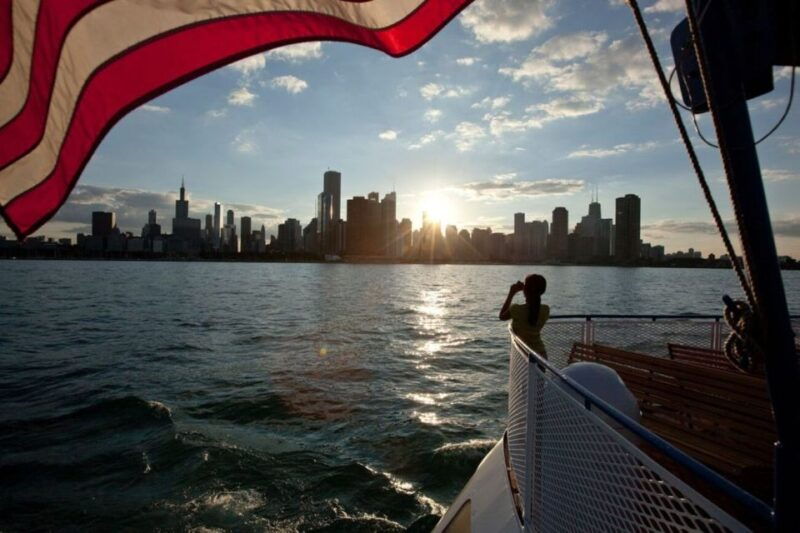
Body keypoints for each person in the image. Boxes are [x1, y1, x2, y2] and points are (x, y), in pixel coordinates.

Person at [499, 274, 549, 356]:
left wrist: (511, 293)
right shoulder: (546, 310)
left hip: (524, 357)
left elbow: (501, 316)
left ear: (525, 289)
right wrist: (528, 288)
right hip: (541, 355)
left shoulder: (516, 309)